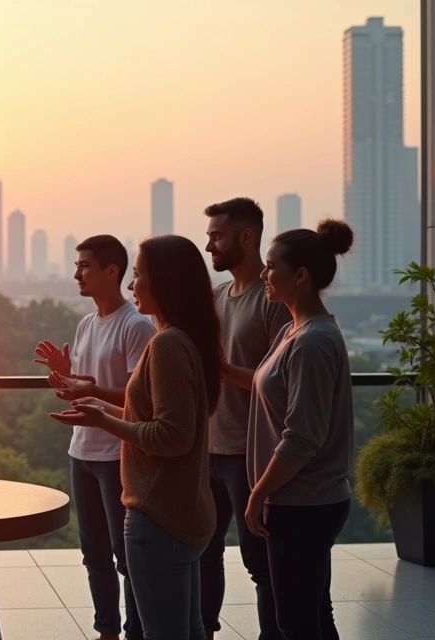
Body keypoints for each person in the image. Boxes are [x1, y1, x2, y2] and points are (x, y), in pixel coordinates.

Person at [51, 234, 220, 640]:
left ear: (163, 282)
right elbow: (154, 416)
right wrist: (98, 410)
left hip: (157, 511)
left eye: (139, 275)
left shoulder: (163, 343)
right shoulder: (187, 340)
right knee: (189, 629)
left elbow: (171, 435)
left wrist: (105, 421)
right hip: (183, 511)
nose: (132, 284)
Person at [230, 220, 355, 640]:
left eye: (270, 267)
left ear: (300, 276)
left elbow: (302, 438)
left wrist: (259, 492)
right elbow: (272, 387)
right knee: (315, 615)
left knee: (296, 623)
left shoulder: (313, 342)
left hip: (304, 503)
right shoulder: (291, 330)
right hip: (301, 501)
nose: (263, 275)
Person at [35, 235, 154, 640]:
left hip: (117, 451)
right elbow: (85, 387)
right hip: (81, 450)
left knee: (126, 556)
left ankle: (136, 630)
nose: (76, 274)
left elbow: (141, 398)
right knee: (94, 555)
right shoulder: (86, 323)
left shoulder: (136, 326)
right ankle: (107, 630)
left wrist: (86, 389)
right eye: (77, 265)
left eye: (84, 266)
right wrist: (66, 376)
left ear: (112, 271)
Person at [201, 199, 291, 640]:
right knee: (203, 550)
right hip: (208, 448)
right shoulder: (216, 297)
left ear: (246, 237)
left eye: (216, 236)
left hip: (250, 453)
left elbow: (280, 379)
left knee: (260, 563)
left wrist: (221, 369)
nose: (209, 244)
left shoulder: (272, 300)